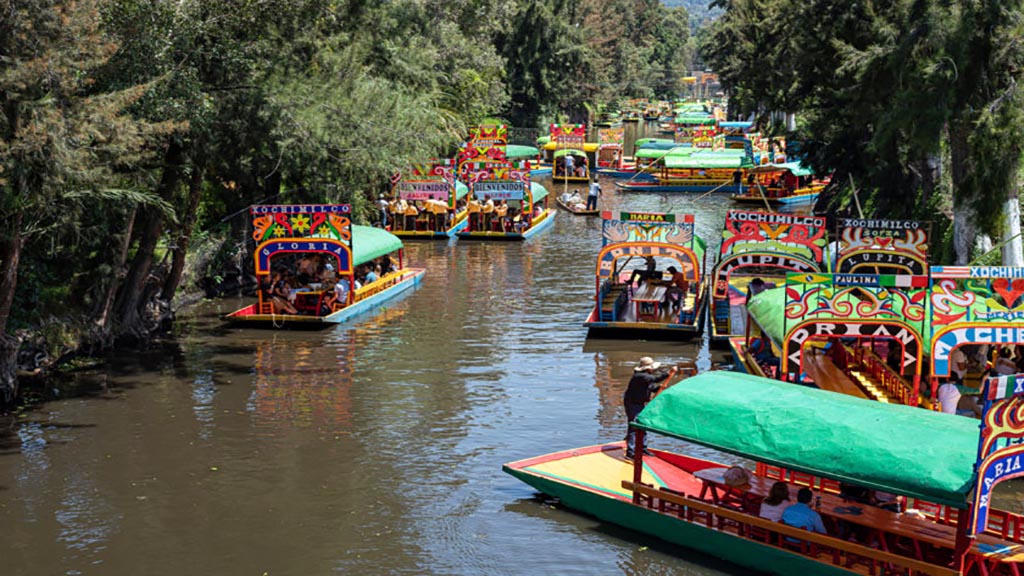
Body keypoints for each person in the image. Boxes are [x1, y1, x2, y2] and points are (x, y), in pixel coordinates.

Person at [623, 357, 678, 459]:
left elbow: (651, 387)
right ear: (648, 368)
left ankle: (642, 448)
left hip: (640, 403)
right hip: (632, 404)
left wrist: (660, 388)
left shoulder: (646, 377)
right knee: (634, 426)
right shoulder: (639, 376)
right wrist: (669, 373)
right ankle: (630, 452)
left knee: (643, 425)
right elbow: (656, 379)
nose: (654, 369)